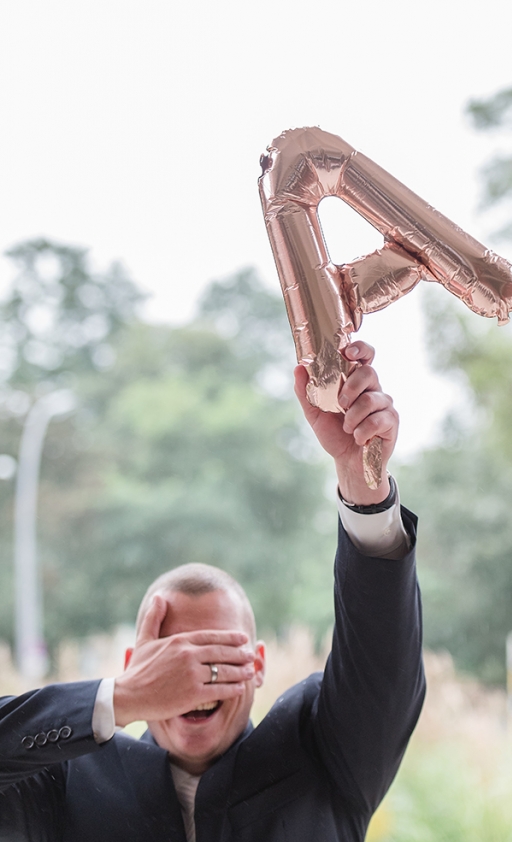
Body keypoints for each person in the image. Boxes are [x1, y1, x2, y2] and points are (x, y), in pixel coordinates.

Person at [0, 342, 425, 842]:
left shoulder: (320, 750)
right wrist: (122, 698)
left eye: (217, 654)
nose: (197, 679)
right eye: (173, 660)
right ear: (139, 665)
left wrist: (363, 482)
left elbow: (382, 661)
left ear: (259, 663)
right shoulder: (68, 777)